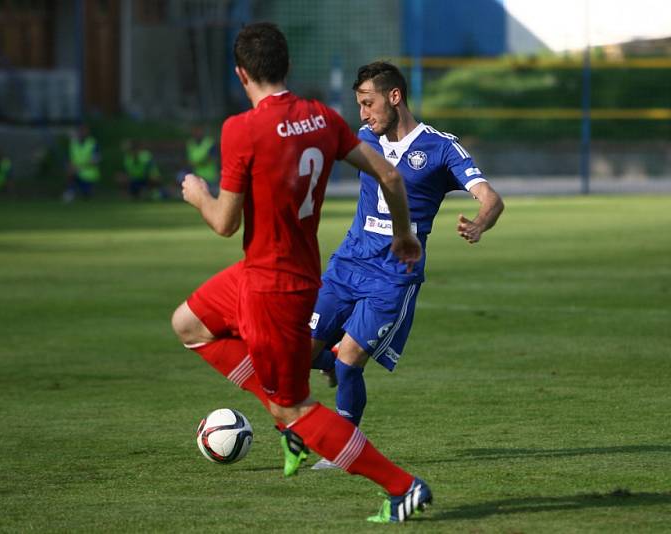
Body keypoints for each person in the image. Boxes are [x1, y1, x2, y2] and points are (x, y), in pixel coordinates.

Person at [170, 23, 431, 523]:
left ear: (241, 73)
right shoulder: (321, 118)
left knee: (295, 409)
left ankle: (403, 486)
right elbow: (391, 175)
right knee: (188, 323)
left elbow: (225, 223)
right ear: (287, 66)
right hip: (273, 273)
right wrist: (404, 234)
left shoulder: (241, 129)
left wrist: (197, 194)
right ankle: (283, 410)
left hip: (273, 287)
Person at [303, 61, 504, 470]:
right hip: (348, 263)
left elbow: (491, 197)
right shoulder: (363, 137)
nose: (363, 113)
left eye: (368, 102)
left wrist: (480, 222)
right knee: (299, 353)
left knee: (350, 362)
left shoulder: (441, 148)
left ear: (394, 97)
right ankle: (335, 360)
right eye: (359, 104)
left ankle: (342, 449)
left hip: (394, 273)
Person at [62, 124, 100, 202]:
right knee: (70, 172)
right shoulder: (73, 143)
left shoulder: (92, 143)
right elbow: (69, 158)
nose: (82, 133)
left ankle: (85, 192)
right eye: (80, 131)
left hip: (89, 173)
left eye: (84, 131)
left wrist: (79, 167)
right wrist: (69, 166)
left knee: (87, 194)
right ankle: (70, 192)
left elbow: (95, 161)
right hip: (76, 172)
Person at [185, 124, 219, 195]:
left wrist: (199, 163)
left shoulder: (209, 142)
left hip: (210, 176)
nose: (197, 133)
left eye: (199, 131)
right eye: (195, 131)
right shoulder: (190, 143)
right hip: (196, 176)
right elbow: (188, 159)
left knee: (212, 196)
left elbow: (214, 158)